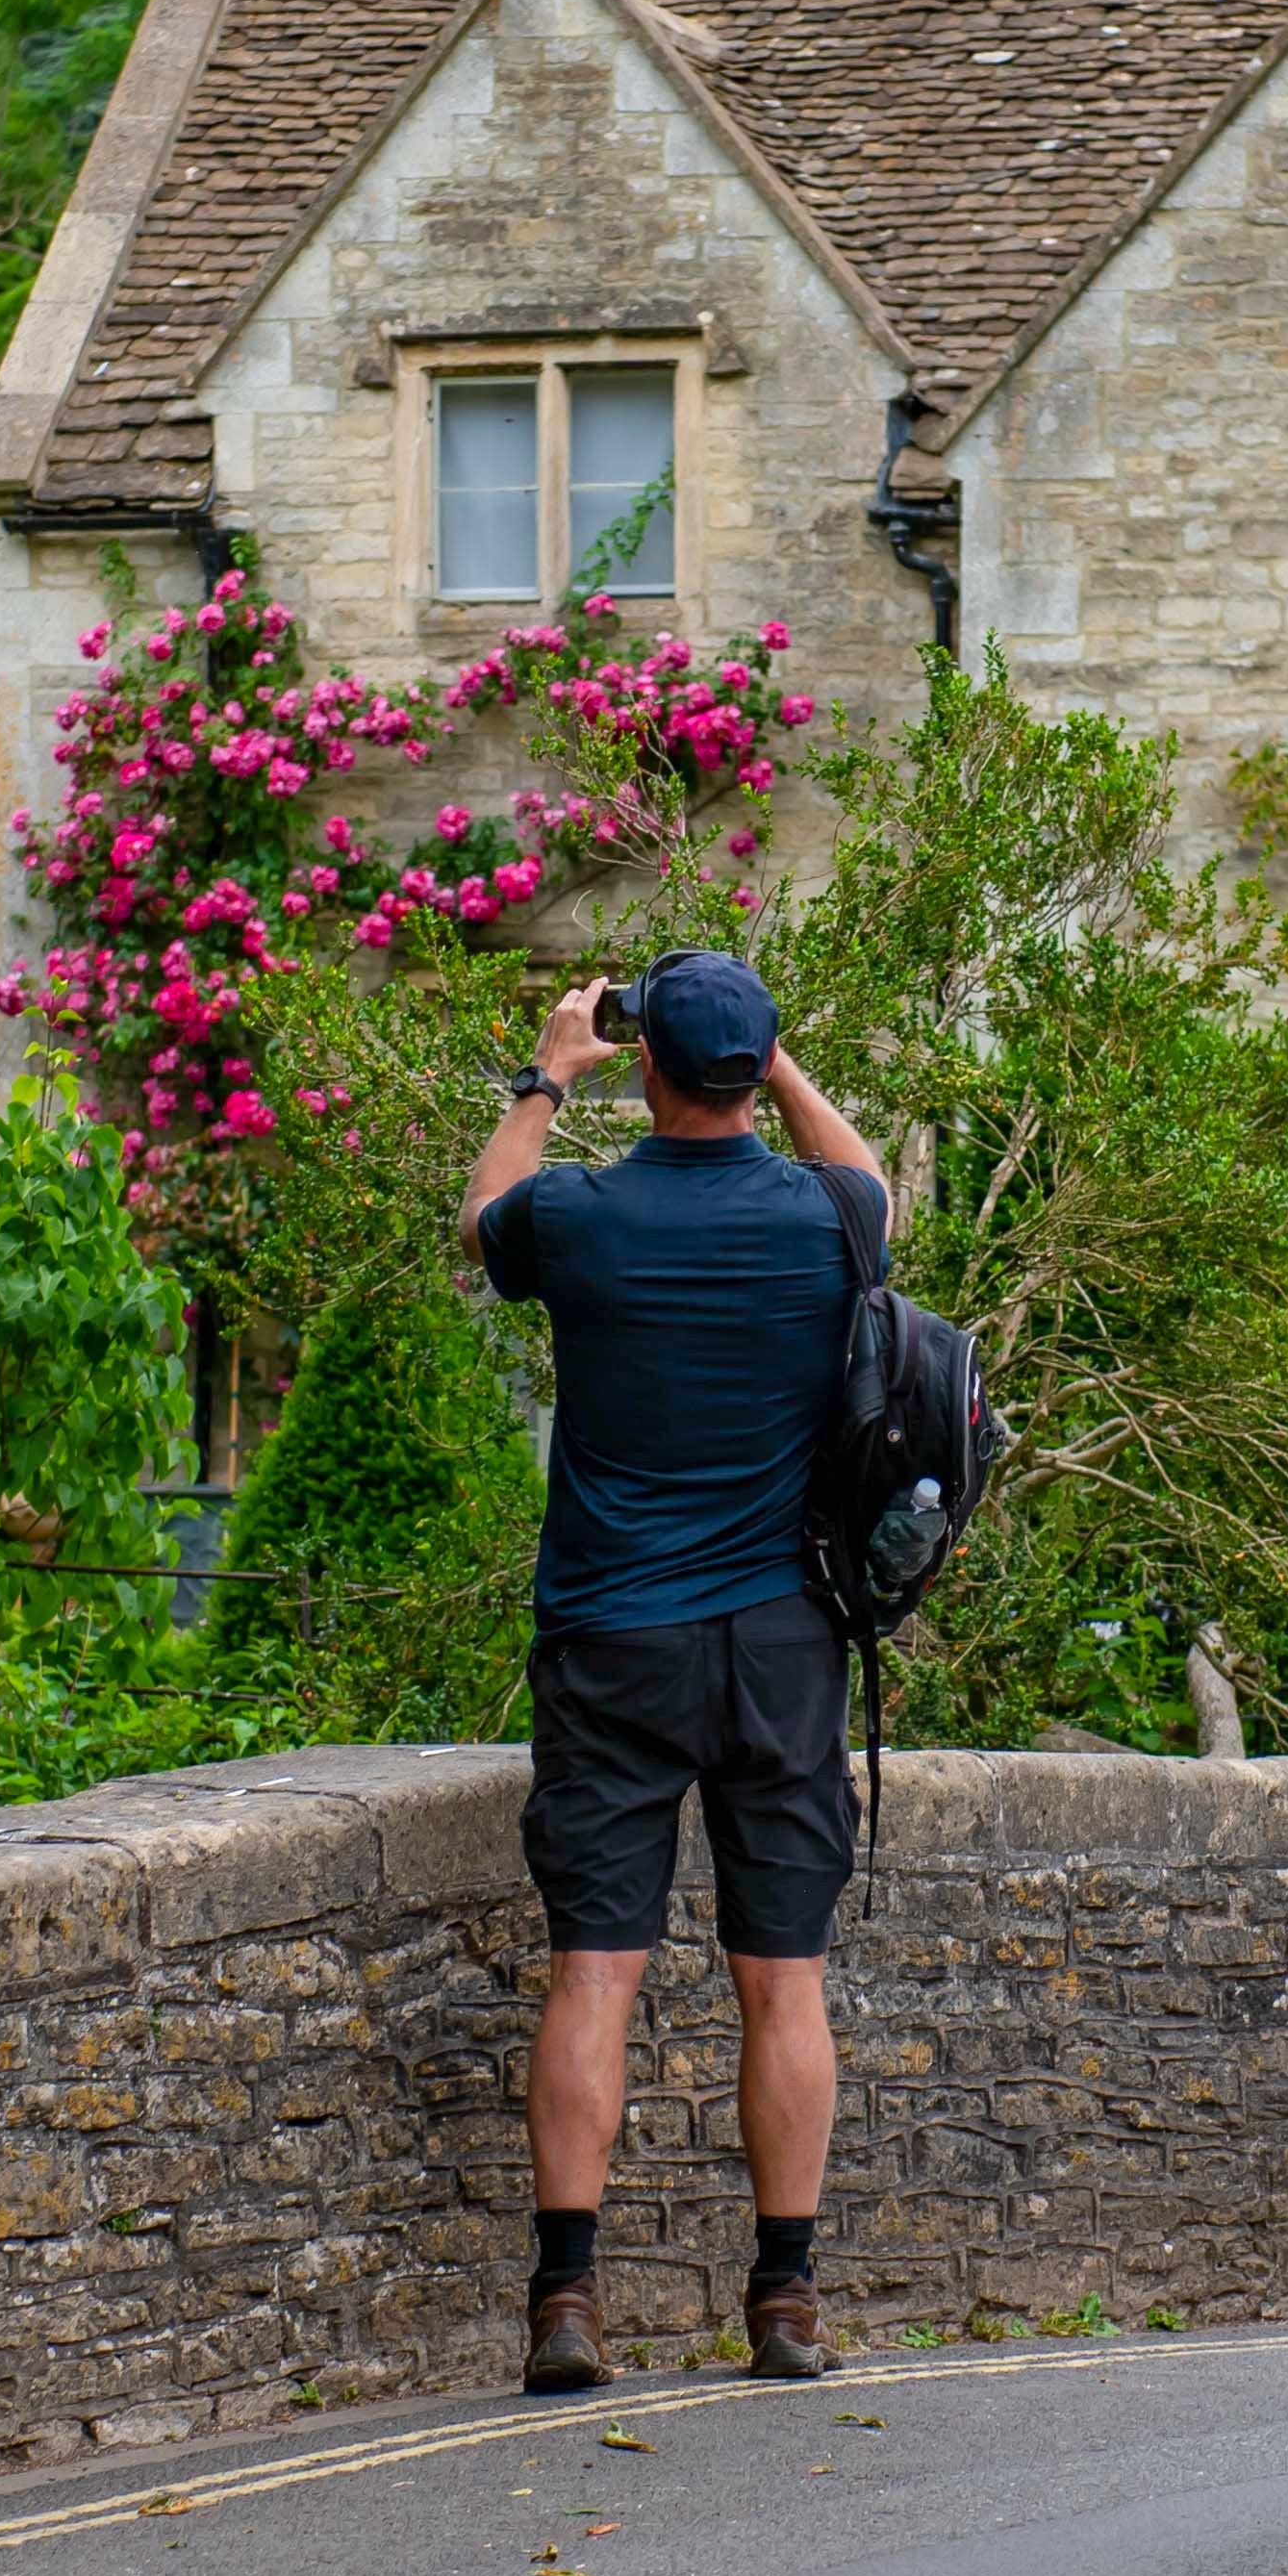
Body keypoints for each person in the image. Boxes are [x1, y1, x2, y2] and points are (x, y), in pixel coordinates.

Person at [461, 947, 884, 2394]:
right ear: (751, 1069)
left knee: (598, 1967)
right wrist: (774, 1061)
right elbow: (870, 1174)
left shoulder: (580, 1213)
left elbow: (482, 1216)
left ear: (645, 1062)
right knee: (786, 1978)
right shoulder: (825, 1218)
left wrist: (544, 1071)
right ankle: (784, 2297)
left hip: (612, 1634)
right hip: (779, 1639)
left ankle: (568, 2301)